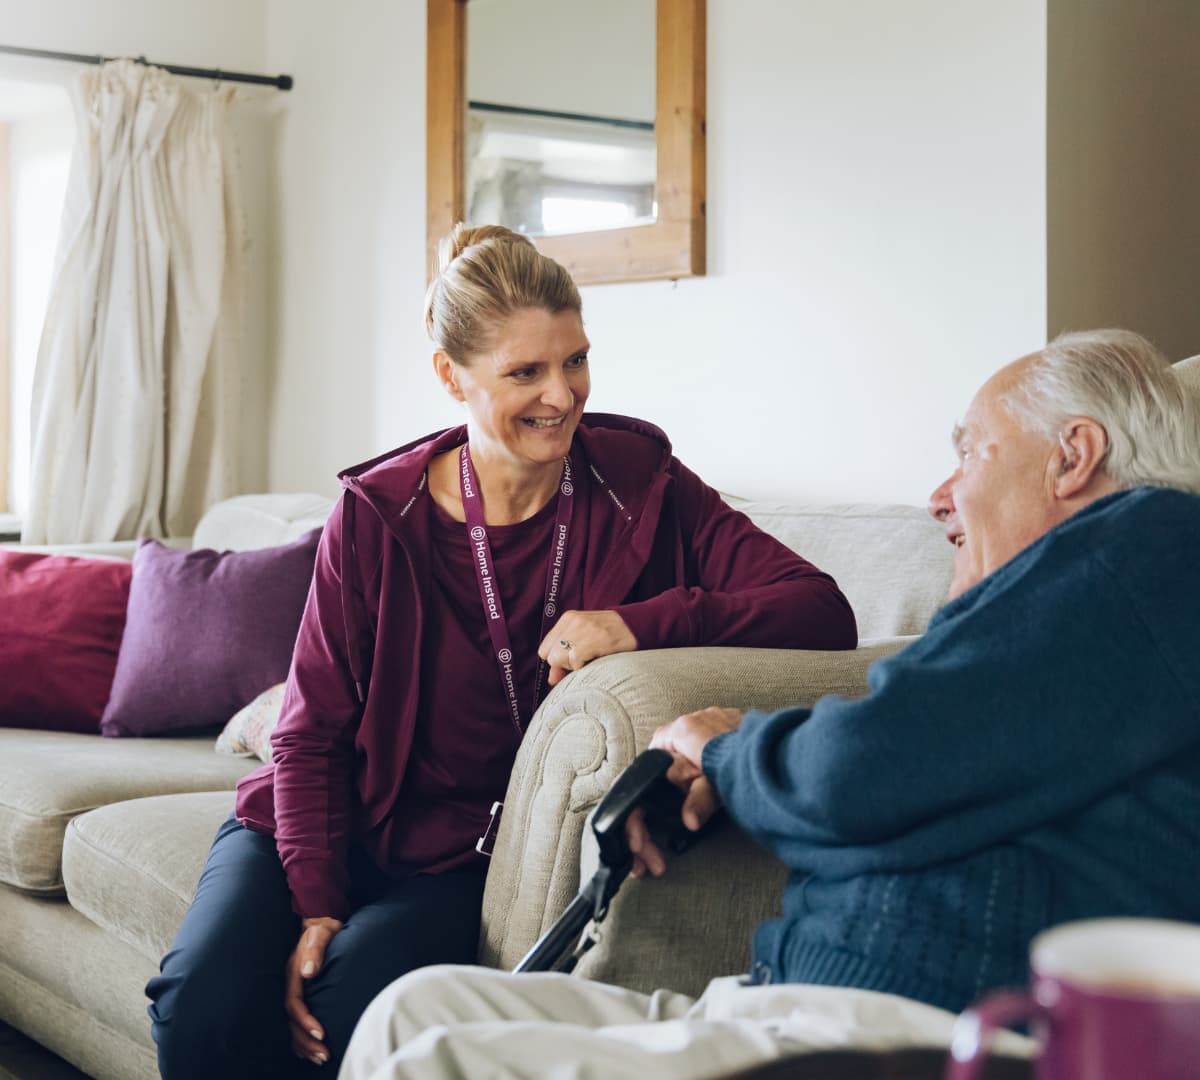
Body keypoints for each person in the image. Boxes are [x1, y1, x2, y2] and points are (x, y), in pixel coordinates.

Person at [338, 329, 1200, 1080]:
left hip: (908, 1027)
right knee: (413, 1009)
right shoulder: (1060, 624)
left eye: (970, 452)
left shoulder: (1148, 551)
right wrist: (750, 764)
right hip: (797, 1001)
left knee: (437, 1061)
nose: (940, 495)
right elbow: (913, 752)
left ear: (1074, 454)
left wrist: (729, 751)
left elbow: (861, 769)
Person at [145, 224, 857, 1078]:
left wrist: (636, 625)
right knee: (201, 1008)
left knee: (343, 1011)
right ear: (453, 376)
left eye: (577, 360)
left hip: (462, 855)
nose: (563, 396)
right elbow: (310, 731)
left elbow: (820, 609)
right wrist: (317, 904)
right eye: (526, 372)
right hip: (324, 820)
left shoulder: (641, 483)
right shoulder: (377, 515)